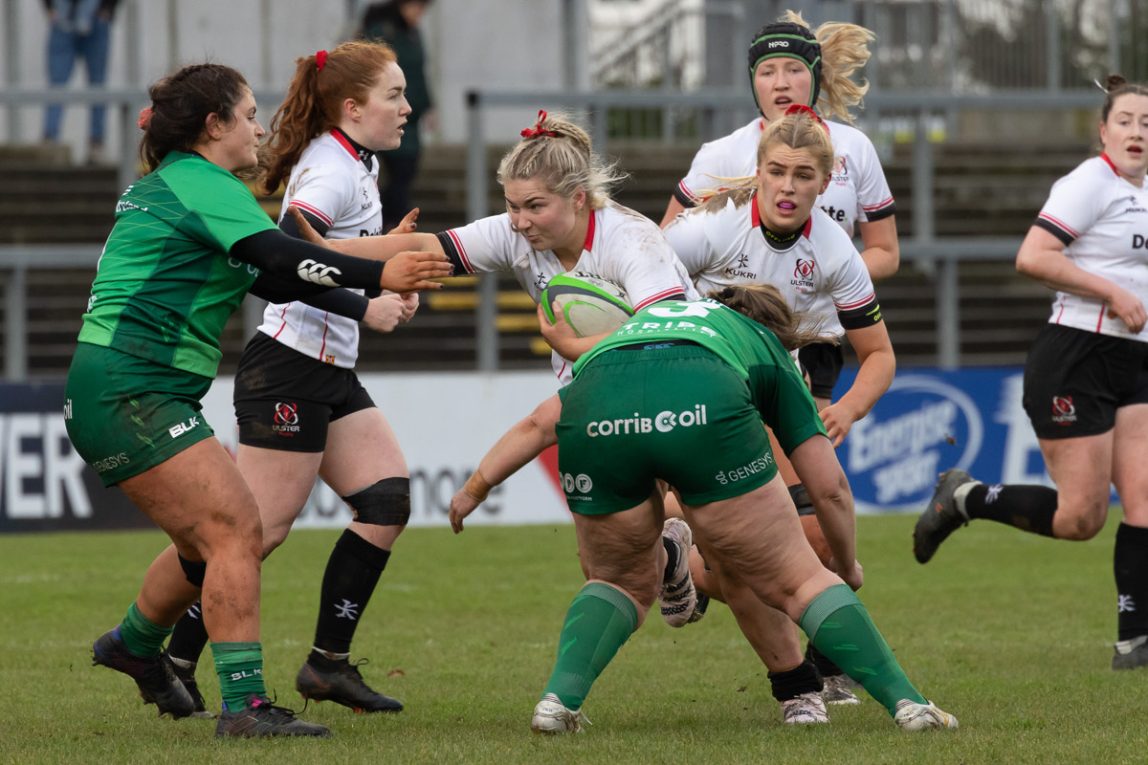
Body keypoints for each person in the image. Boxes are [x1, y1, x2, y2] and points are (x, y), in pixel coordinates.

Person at [450, 107, 894, 724]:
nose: (788, 186)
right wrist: (588, 350)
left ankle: (792, 669)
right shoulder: (703, 230)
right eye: (776, 172)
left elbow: (878, 355)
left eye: (802, 175)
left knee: (769, 548)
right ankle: (817, 685)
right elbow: (647, 314)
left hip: (764, 377)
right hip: (701, 382)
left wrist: (845, 409)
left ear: (827, 184)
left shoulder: (835, 250)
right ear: (756, 172)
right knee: (767, 552)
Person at [66, 61, 450, 738]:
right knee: (237, 530)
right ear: (213, 127)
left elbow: (275, 281)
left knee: (205, 540)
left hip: (125, 385)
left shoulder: (186, 186)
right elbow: (280, 257)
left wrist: (363, 292)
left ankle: (133, 643)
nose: (260, 126)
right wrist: (379, 269)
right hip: (134, 386)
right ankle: (243, 707)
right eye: (247, 115)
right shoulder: (199, 181)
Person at [454, 284, 956, 733]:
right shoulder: (766, 350)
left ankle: (557, 703)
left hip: (597, 411)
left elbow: (538, 424)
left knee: (617, 581)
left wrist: (474, 489)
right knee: (801, 580)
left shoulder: (638, 326)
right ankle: (910, 706)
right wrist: (844, 567)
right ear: (782, 336)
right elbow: (829, 489)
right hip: (704, 409)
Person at [162, 41, 420, 717]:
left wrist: (387, 255)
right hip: (289, 370)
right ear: (352, 106)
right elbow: (290, 265)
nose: (407, 107)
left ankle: (326, 664)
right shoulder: (330, 173)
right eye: (394, 95)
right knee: (253, 533)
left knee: (386, 497)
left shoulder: (354, 163)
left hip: (328, 368)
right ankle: (174, 654)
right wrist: (369, 300)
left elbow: (329, 252)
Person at [661, 11, 898, 703]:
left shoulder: (852, 160)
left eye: (795, 68)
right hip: (733, 353)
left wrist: (825, 275)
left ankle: (693, 560)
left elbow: (881, 253)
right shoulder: (719, 160)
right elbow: (655, 252)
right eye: (768, 70)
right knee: (793, 519)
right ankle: (809, 671)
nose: (783, 81)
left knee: (791, 523)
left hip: (815, 347)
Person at [913, 74, 1148, 672]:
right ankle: (965, 498)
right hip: (1076, 355)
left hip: (1136, 358)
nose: (1137, 132)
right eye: (1125, 121)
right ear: (1103, 130)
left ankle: (1135, 641)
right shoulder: (1089, 184)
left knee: (1145, 500)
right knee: (1081, 519)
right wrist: (1112, 294)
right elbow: (1033, 256)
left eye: (1147, 123)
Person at [360, 0, 435, 230]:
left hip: (411, 119)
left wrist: (430, 106)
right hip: (388, 116)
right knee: (397, 174)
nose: (418, 14)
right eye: (415, 7)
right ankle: (388, 221)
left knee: (406, 170)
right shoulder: (382, 32)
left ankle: (389, 221)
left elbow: (420, 73)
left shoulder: (413, 34)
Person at [42, 0, 120, 163]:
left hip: (95, 16)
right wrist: (49, 8)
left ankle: (96, 143)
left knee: (97, 87)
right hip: (63, 16)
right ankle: (50, 141)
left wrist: (108, 9)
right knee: (57, 86)